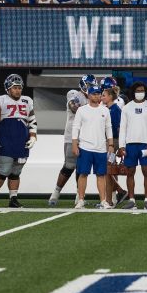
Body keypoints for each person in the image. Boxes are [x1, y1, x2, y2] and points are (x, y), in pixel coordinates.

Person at [0, 74, 36, 208]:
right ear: (8, 88)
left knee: (16, 172)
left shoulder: (27, 100)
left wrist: (33, 136)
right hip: (6, 138)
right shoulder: (0, 100)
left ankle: (13, 198)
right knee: (4, 170)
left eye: (20, 88)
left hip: (21, 140)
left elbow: (32, 120)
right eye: (15, 88)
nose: (18, 90)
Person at [49, 75, 93, 207]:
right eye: (89, 85)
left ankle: (78, 197)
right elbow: (75, 106)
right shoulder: (74, 94)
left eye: (92, 86)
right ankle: (55, 193)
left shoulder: (93, 98)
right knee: (69, 166)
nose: (90, 88)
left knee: (82, 168)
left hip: (87, 137)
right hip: (72, 136)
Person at [71, 82, 115, 209]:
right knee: (82, 174)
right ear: (89, 95)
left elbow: (109, 128)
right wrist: (75, 144)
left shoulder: (105, 110)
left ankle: (103, 201)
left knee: (101, 175)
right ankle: (80, 200)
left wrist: (110, 144)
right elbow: (76, 127)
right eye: (94, 94)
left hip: (101, 148)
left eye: (98, 94)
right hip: (85, 147)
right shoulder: (81, 110)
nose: (97, 96)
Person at [116, 81, 147, 208]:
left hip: (145, 144)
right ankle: (131, 200)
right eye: (138, 91)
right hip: (130, 144)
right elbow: (122, 128)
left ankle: (146, 200)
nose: (140, 93)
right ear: (133, 92)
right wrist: (122, 146)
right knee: (130, 172)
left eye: (142, 91)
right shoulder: (127, 107)